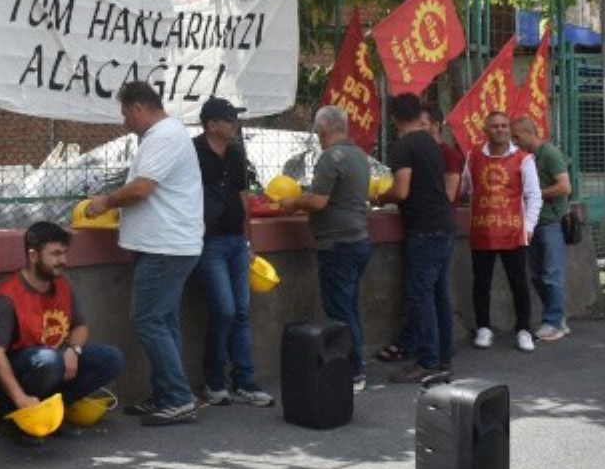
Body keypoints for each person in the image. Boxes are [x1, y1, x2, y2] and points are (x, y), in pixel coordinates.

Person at [87, 81, 204, 426]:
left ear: (139, 108)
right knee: (163, 322)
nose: (124, 121)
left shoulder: (165, 136)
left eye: (125, 113)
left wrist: (105, 202)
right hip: (167, 244)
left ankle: (179, 399)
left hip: (165, 247)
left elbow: (142, 188)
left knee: (149, 321)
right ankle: (168, 393)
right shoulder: (165, 136)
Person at [0, 222, 124, 430]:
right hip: (16, 372)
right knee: (49, 360)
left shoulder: (62, 284)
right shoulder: (7, 297)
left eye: (64, 253)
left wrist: (73, 350)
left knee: (111, 358)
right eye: (55, 254)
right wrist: (20, 398)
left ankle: (54, 411)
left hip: (54, 361)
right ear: (33, 256)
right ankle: (19, 413)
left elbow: (80, 326)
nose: (63, 260)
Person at [278, 105, 372, 391]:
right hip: (359, 239)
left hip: (337, 244)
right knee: (350, 307)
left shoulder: (331, 157)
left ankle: (353, 371)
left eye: (316, 128)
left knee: (340, 311)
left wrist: (292, 201)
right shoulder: (359, 156)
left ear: (323, 129)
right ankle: (356, 366)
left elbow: (319, 201)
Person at [189, 96, 274, 407]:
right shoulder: (193, 152)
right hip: (207, 241)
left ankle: (245, 380)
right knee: (223, 309)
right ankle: (213, 380)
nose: (235, 124)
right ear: (212, 125)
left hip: (235, 242)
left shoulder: (236, 153)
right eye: (229, 119)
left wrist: (249, 242)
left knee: (241, 311)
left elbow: (243, 197)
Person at [373, 93, 456, 384]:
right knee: (439, 295)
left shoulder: (404, 146)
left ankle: (429, 362)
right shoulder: (431, 143)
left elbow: (402, 190)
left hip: (424, 229)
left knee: (422, 296)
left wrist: (379, 196)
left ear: (393, 118)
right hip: (444, 225)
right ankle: (444, 357)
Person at [465, 111, 542, 351]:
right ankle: (484, 328)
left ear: (509, 130)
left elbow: (534, 196)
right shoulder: (472, 157)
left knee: (519, 282)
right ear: (485, 131)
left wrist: (528, 227)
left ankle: (523, 329)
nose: (500, 130)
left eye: (504, 126)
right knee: (481, 282)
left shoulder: (524, 159)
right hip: (482, 231)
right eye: (495, 126)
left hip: (513, 232)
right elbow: (467, 188)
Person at [512, 116, 573, 341]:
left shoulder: (549, 154)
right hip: (531, 222)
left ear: (529, 133)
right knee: (537, 275)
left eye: (517, 137)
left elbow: (565, 187)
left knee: (551, 273)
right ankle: (557, 317)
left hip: (551, 221)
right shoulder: (524, 157)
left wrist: (535, 195)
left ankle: (552, 322)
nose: (514, 141)